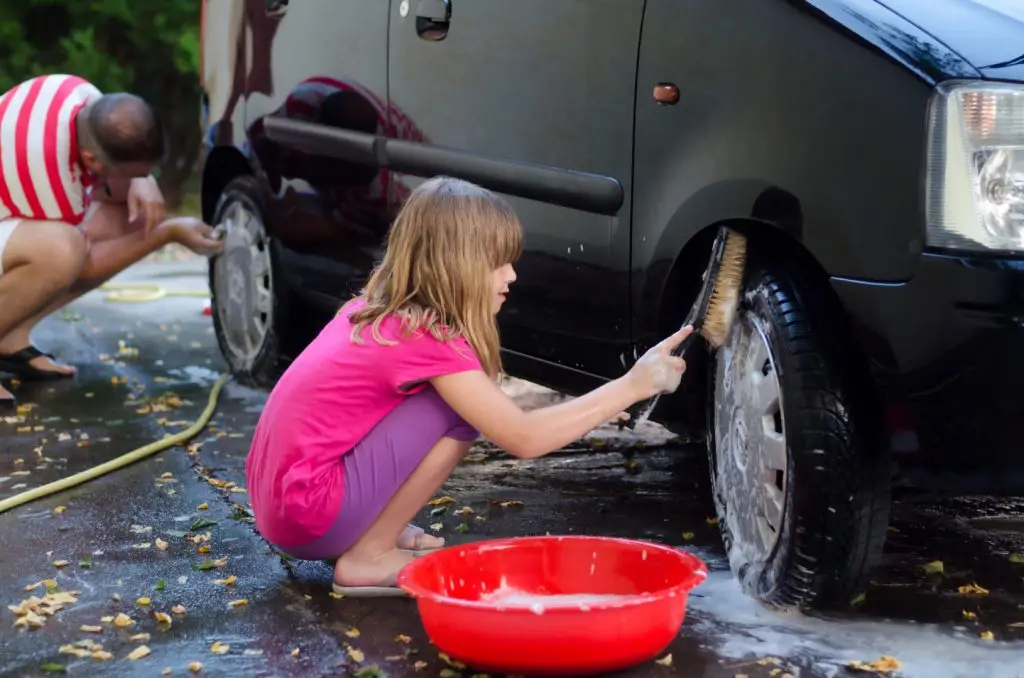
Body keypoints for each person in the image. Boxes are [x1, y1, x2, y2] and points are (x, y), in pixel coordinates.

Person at [245, 176, 693, 596]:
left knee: (444, 400)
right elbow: (524, 437)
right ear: (455, 265)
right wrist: (633, 385)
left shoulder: (371, 310)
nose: (511, 276)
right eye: (498, 263)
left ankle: (372, 530)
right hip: (308, 517)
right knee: (458, 410)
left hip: (279, 506)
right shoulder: (427, 339)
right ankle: (370, 554)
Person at [0, 74, 223, 408]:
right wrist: (166, 233)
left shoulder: (82, 96)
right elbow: (82, 267)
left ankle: (8, 335)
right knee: (61, 253)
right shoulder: (51, 182)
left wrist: (141, 180)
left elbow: (114, 183)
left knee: (129, 211)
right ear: (92, 159)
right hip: (23, 187)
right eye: (133, 171)